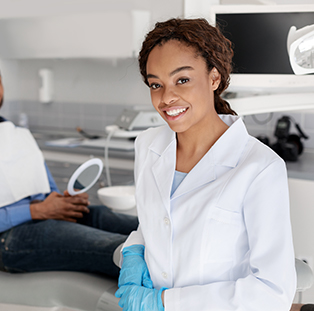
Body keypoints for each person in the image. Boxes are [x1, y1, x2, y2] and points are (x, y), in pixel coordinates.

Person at [115, 18, 296, 310]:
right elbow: (158, 221)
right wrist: (134, 249)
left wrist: (163, 302)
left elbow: (273, 291)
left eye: (182, 80)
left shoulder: (260, 168)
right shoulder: (147, 145)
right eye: (155, 84)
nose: (167, 97)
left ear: (214, 78)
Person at [0, 54, 138, 277]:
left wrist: (64, 203)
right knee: (124, 249)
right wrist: (36, 211)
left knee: (127, 224)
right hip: (10, 237)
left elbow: (48, 193)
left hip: (48, 218)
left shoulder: (17, 134)